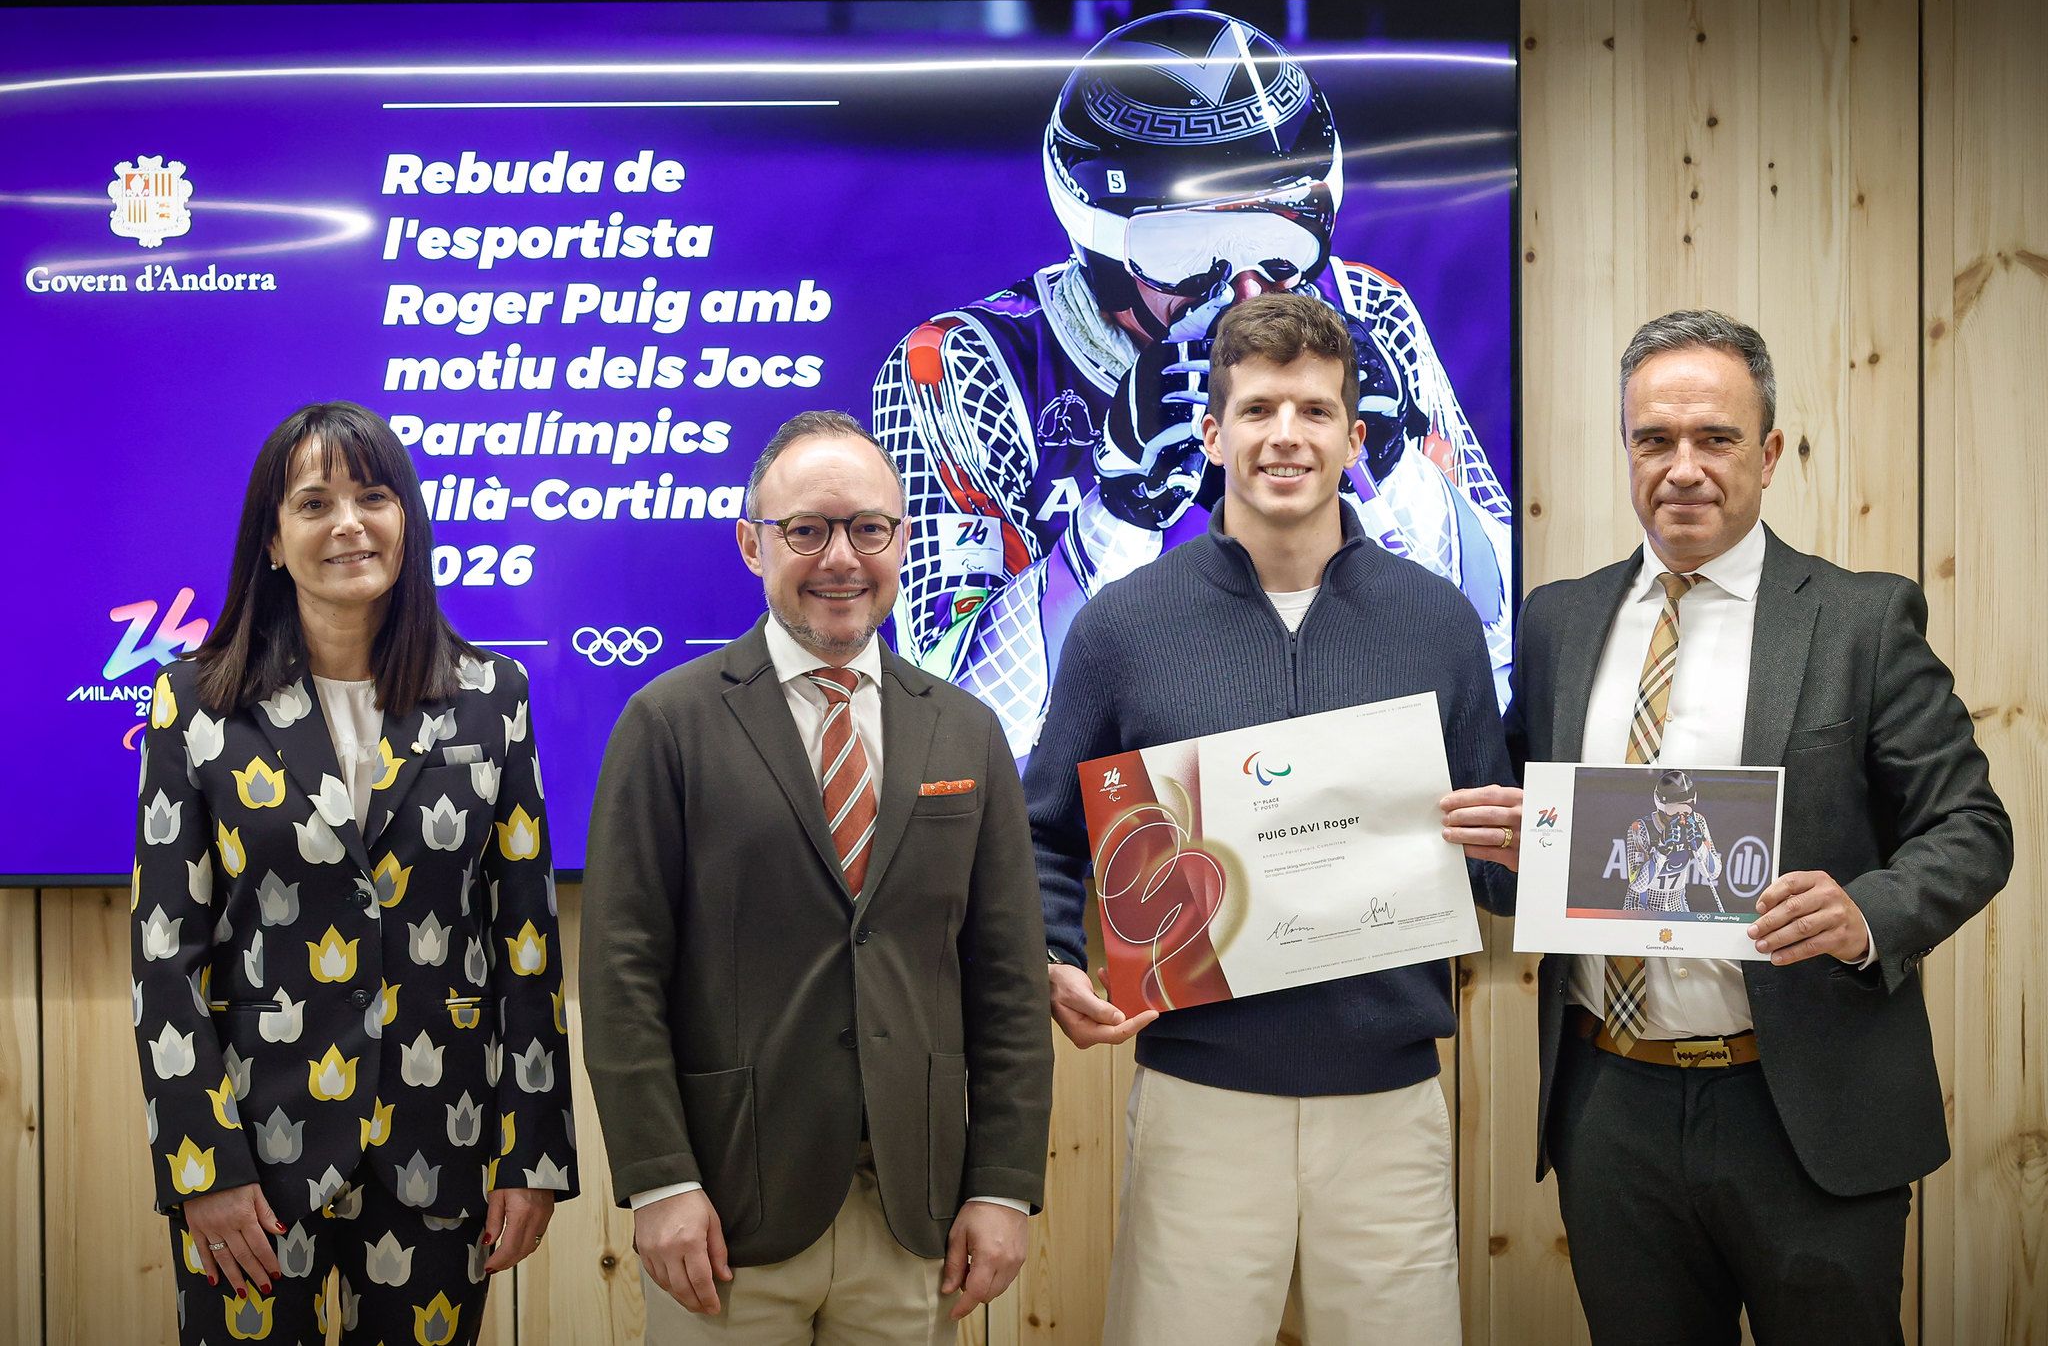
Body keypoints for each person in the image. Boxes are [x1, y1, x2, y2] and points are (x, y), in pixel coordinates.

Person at [1441, 310, 2012, 1344]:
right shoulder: (1557, 621)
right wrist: (1500, 850)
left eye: (1715, 438)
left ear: (1770, 452)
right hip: (1610, 1105)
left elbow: (1970, 826)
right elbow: (1529, 851)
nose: (1683, 468)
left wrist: (1865, 913)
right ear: (1626, 449)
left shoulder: (1860, 620)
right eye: (1654, 439)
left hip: (1806, 1108)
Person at [1027, 293, 1511, 1343]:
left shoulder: (1438, 624)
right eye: (1256, 410)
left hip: (1388, 1107)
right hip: (1198, 1097)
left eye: (1313, 410)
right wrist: (1055, 952)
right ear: (1211, 434)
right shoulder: (1122, 624)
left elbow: (1490, 857)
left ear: (1353, 437)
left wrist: (1521, 846)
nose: (1284, 435)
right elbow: (1044, 833)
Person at [874, 7, 1514, 761]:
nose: (1245, 290)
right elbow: (958, 720)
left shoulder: (1368, 312)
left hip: (1339, 775)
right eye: (1183, 247)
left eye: (1277, 238)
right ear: (1101, 242)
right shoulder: (965, 363)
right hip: (1112, 805)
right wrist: (1116, 517)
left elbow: (1502, 654)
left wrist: (1400, 475)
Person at [578, 411, 1053, 1344]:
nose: (842, 557)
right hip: (727, 1217)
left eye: (868, 528)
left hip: (914, 1215)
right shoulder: (667, 725)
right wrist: (661, 1179)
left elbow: (1007, 978)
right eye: (807, 529)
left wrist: (1003, 1185)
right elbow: (621, 974)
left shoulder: (967, 730)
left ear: (902, 540)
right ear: (752, 544)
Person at [132, 400, 576, 1346]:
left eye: (373, 496)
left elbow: (526, 944)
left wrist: (531, 1154)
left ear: (405, 520)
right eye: (314, 502)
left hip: (441, 1140)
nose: (348, 523)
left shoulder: (493, 697)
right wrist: (202, 1166)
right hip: (254, 1157)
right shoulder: (195, 705)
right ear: (272, 541)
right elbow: (166, 959)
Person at [1622, 769, 1724, 913]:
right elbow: (1638, 885)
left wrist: (1700, 846)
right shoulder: (1640, 828)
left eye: (1686, 807)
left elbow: (1714, 873)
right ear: (1660, 806)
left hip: (1676, 904)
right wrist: (1662, 849)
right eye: (1673, 810)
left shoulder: (1697, 822)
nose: (1680, 816)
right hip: (1641, 905)